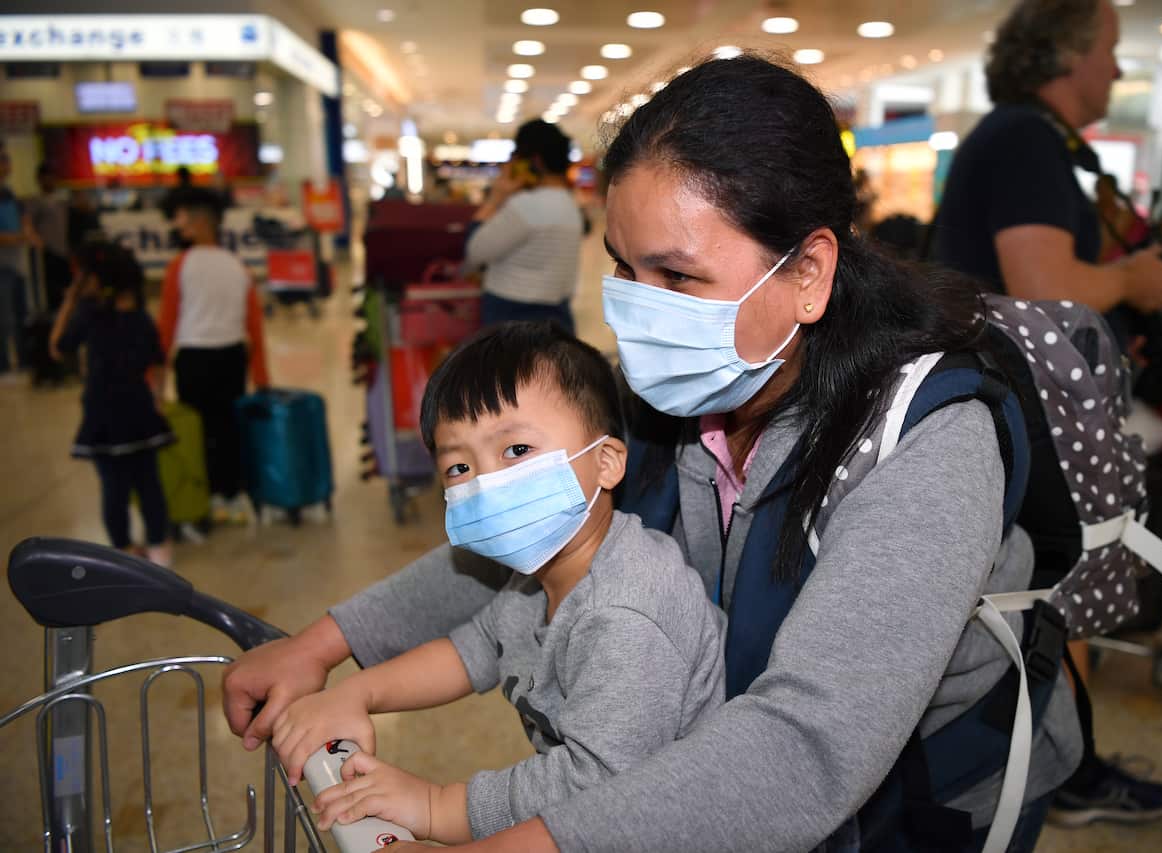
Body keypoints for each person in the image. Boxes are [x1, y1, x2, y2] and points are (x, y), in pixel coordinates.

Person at [223, 55, 1083, 852]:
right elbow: (530, 525)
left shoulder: (928, 438)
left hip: (932, 793)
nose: (640, 313)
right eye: (624, 270)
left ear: (810, 271)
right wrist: (323, 643)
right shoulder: (679, 392)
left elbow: (805, 748)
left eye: (677, 277)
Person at [270, 321, 726, 843]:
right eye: (459, 466)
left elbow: (596, 787)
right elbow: (479, 645)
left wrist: (435, 806)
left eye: (515, 451)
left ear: (605, 462)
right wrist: (357, 693)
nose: (487, 484)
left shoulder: (628, 613)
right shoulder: (539, 574)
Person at [932, 0, 1162, 830]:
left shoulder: (1018, 137)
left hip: (1004, 396)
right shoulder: (1024, 139)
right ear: (1067, 53)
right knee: (1055, 584)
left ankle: (1063, 756)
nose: (1117, 68)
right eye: (1110, 49)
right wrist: (1135, 280)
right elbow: (1043, 286)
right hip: (1021, 402)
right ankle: (1064, 763)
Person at [49, 241, 173, 567]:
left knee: (113, 489)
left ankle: (124, 551)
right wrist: (158, 399)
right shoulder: (142, 319)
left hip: (102, 416)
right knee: (149, 484)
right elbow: (158, 364)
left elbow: (58, 347)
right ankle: (160, 549)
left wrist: (70, 300)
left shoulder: (90, 317)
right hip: (140, 411)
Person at [158, 188, 269, 524]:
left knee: (199, 431)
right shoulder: (238, 266)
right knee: (229, 427)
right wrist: (261, 377)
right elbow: (254, 327)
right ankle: (232, 496)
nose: (178, 226)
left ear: (200, 222)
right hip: (231, 358)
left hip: (194, 359)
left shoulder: (180, 266)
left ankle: (204, 501)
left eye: (183, 219)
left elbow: (166, 324)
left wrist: (157, 379)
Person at [464, 120, 583, 333]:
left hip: (511, 316)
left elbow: (475, 251)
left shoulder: (527, 205)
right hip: (558, 314)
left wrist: (495, 198)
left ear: (534, 161)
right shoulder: (569, 204)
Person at [0, 147, 36, 379]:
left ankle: (24, 361)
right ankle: (3, 365)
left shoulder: (10, 194)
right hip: (2, 266)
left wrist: (28, 232)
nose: (7, 165)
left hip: (17, 264)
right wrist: (21, 237)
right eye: (3, 160)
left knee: (21, 314)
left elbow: (24, 222)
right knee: (4, 318)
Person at [26, 162, 73, 310]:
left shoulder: (63, 201)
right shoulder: (35, 202)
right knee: (50, 293)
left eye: (52, 177)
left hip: (64, 252)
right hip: (46, 253)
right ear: (39, 179)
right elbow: (28, 224)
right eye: (46, 177)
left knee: (67, 291)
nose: (50, 180)